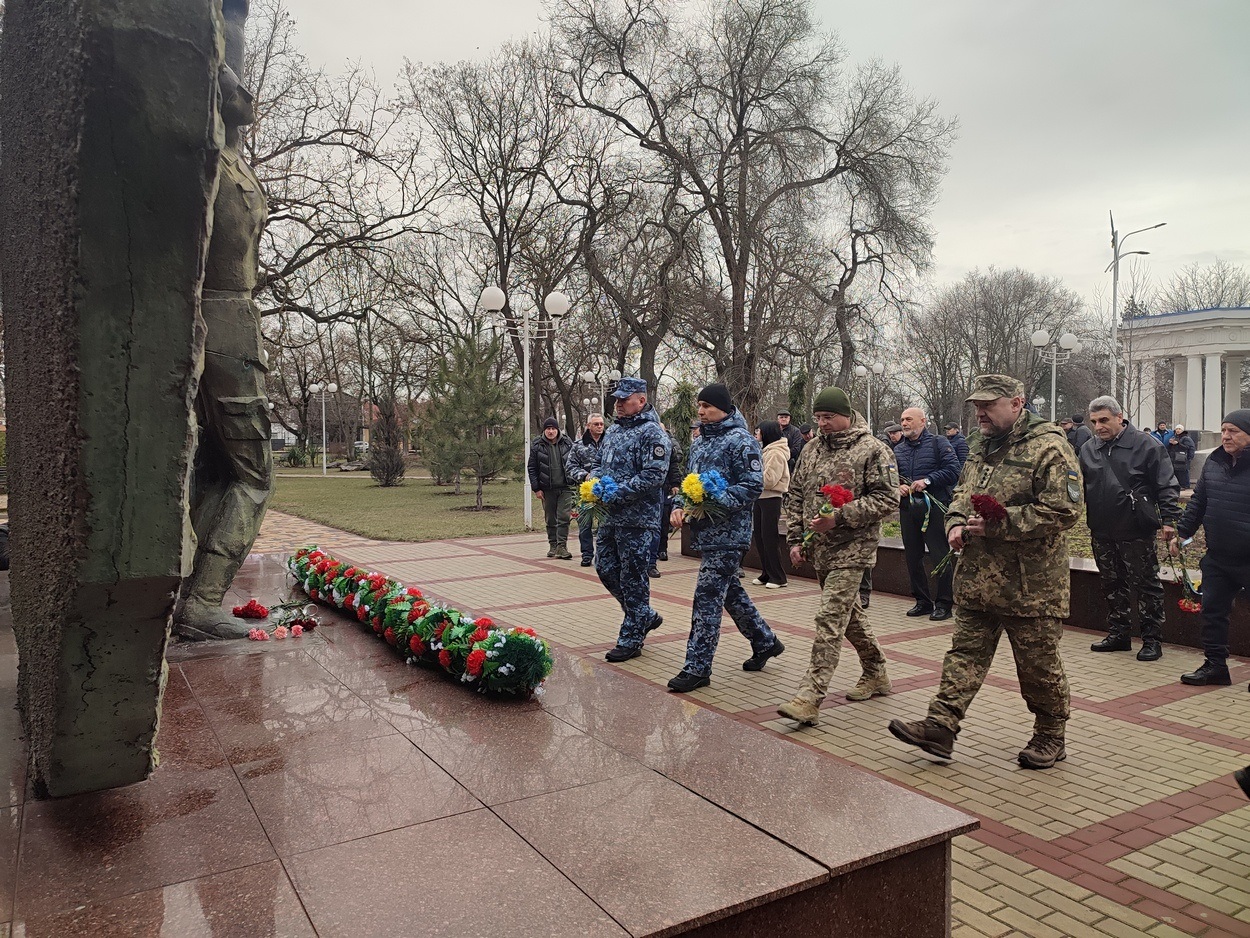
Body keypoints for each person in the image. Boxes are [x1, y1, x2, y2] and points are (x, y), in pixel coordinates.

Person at [888, 374, 1082, 769]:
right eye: (977, 405)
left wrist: (999, 523)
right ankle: (941, 727)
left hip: (1031, 585)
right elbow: (961, 494)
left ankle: (1050, 734)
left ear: (1017, 403)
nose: (980, 412)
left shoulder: (1050, 447)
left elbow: (1064, 511)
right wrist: (955, 524)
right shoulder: (980, 448)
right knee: (964, 656)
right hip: (978, 577)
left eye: (989, 405)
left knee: (1037, 667)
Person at [776, 387, 897, 725]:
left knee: (829, 619)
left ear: (847, 414)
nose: (822, 424)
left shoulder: (873, 450)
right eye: (818, 418)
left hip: (853, 550)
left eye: (828, 417)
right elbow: (797, 495)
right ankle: (876, 671)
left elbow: (888, 500)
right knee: (850, 617)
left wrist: (839, 518)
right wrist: (796, 540)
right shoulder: (812, 449)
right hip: (820, 551)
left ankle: (810, 696)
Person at [668, 384, 784, 691]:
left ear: (724, 407)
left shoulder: (741, 441)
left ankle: (697, 667)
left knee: (706, 595)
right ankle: (765, 641)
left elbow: (752, 486)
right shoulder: (699, 443)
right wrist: (680, 506)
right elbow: (688, 482)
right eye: (699, 406)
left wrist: (714, 499)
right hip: (705, 532)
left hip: (730, 533)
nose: (701, 411)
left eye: (707, 405)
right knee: (730, 592)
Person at [1080, 396, 1179, 662]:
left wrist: (1169, 520)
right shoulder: (1089, 448)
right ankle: (1119, 634)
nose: (1098, 427)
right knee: (1112, 583)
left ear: (1119, 417)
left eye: (1104, 420)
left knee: (1146, 585)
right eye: (1094, 422)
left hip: (1135, 528)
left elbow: (1166, 485)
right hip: (1101, 528)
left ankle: (1152, 639)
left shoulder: (1145, 445)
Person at [1172, 410, 1250, 687]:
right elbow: (1199, 502)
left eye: (1234, 431)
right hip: (1218, 557)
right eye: (1224, 430)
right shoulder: (1214, 463)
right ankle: (1215, 666)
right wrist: (1182, 533)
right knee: (1212, 612)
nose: (1226, 436)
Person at [595, 378, 669, 662]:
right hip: (610, 516)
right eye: (616, 399)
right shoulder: (613, 431)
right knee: (605, 568)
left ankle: (631, 637)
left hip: (638, 519)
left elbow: (654, 476)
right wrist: (595, 482)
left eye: (623, 399)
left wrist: (619, 493)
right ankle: (644, 616)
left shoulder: (652, 433)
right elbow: (598, 464)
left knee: (634, 578)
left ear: (640, 400)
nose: (618, 404)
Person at [895, 407, 962, 621]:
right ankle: (922, 601)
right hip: (908, 509)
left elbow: (954, 470)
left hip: (934, 508)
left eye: (909, 419)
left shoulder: (939, 443)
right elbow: (890, 477)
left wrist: (928, 480)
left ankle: (944, 603)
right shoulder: (898, 450)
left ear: (923, 421)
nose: (904, 423)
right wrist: (898, 487)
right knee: (912, 556)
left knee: (939, 555)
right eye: (902, 420)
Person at [751, 420, 791, 589]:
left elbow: (770, 480)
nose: (756, 435)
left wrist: (751, 476)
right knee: (760, 537)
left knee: (769, 538)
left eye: (759, 432)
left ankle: (778, 576)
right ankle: (766, 572)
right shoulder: (766, 451)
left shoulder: (775, 453)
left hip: (771, 498)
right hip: (760, 498)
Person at [527, 417, 574, 559]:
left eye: (553, 428)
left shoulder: (567, 442)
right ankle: (553, 544)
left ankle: (562, 546)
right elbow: (532, 468)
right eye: (548, 429)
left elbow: (574, 462)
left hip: (565, 487)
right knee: (551, 518)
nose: (551, 431)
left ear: (557, 429)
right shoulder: (537, 445)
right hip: (547, 488)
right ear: (544, 430)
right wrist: (536, 488)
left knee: (564, 517)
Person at [566, 413, 606, 567]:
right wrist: (584, 476)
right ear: (588, 426)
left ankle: (604, 555)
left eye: (601, 424)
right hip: (585, 491)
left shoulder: (609, 443)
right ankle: (587, 554)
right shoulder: (578, 445)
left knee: (605, 524)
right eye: (596, 424)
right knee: (585, 524)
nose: (600, 427)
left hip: (605, 490)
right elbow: (570, 467)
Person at [649, 424, 685, 575]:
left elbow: (673, 465)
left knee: (662, 521)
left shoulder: (668, 445)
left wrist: (676, 483)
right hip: (646, 490)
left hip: (663, 488)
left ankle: (660, 552)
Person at [1167, 423, 1197, 489]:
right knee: (1177, 472)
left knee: (1183, 472)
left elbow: (1187, 447)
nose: (1178, 430)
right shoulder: (1174, 437)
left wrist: (1178, 444)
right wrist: (1170, 444)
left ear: (1182, 430)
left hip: (1183, 459)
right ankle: (1179, 485)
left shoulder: (1186, 438)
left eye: (1179, 429)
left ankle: (1185, 485)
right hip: (1175, 459)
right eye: (1177, 429)